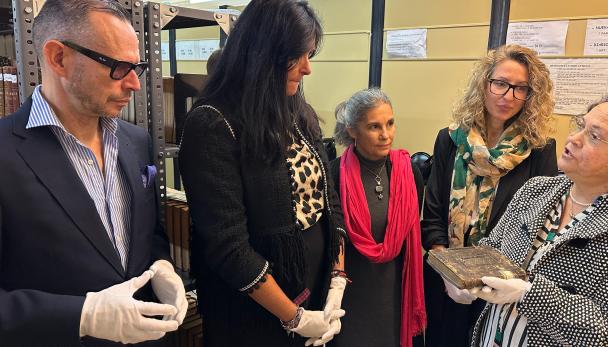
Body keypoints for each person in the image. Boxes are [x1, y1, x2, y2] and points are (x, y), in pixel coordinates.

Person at [0, 1, 188, 345]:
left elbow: (150, 234)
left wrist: (162, 267)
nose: (134, 84)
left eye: (138, 67)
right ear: (58, 58)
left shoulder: (136, 141)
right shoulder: (6, 153)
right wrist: (83, 316)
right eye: (118, 67)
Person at [178, 0, 347, 346]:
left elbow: (330, 201)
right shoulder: (213, 123)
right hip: (251, 316)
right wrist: (294, 317)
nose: (306, 69)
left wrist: (337, 282)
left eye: (309, 55)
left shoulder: (299, 112)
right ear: (261, 54)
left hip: (313, 294)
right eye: (296, 57)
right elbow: (229, 247)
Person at [469, 93, 608, 346]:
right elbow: (492, 247)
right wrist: (467, 276)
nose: (574, 138)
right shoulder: (535, 189)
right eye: (581, 126)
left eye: (594, 136)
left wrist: (529, 294)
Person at [421, 44, 558, 347]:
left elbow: (538, 228)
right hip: (446, 279)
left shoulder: (540, 149)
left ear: (530, 95)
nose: (508, 96)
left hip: (502, 289)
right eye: (500, 84)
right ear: (484, 84)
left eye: (520, 88)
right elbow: (432, 214)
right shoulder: (450, 139)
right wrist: (447, 273)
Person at [328, 88, 426, 347]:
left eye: (390, 123)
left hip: (396, 295)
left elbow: (410, 240)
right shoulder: (335, 174)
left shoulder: (409, 172)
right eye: (374, 127)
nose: (386, 135)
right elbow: (331, 241)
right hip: (351, 295)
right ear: (352, 130)